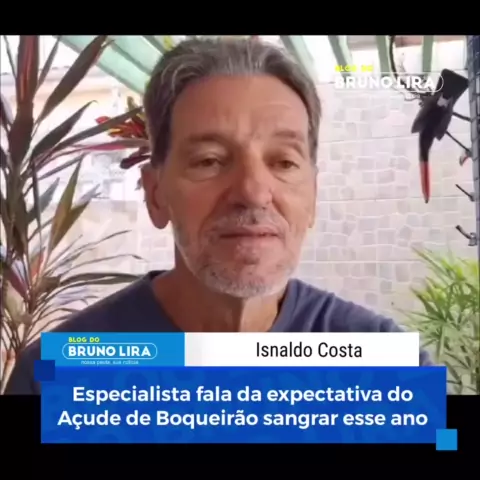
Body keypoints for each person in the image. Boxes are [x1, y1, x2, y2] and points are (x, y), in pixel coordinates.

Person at [4, 37, 431, 395]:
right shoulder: (58, 378)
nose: (253, 192)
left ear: (313, 196)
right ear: (156, 194)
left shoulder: (389, 370)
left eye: (283, 162)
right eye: (209, 160)